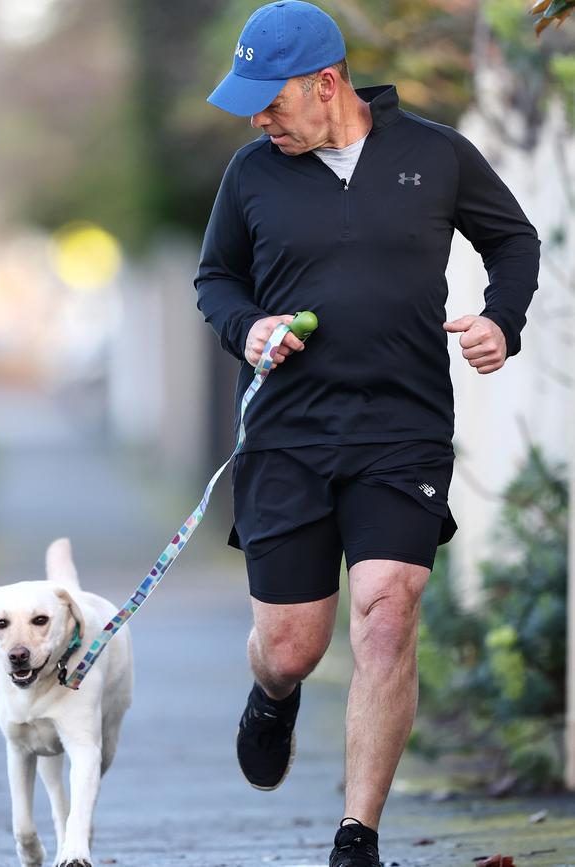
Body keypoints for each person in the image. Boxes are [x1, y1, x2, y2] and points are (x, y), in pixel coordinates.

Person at [194, 2, 540, 865]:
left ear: (326, 82)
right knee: (293, 644)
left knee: (388, 613)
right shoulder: (251, 176)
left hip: (403, 430)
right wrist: (249, 330)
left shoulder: (436, 155)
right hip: (286, 434)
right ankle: (271, 696)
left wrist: (503, 319)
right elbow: (216, 280)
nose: (257, 118)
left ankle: (358, 834)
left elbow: (514, 242)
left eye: (270, 100)